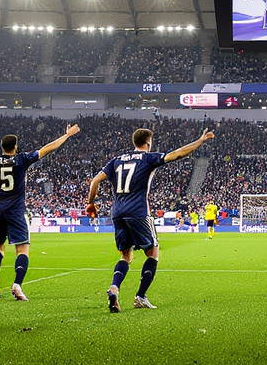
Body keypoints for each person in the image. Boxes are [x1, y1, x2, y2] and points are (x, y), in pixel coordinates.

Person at [87, 127, 214, 313]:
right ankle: (140, 296)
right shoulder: (147, 158)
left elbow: (94, 182)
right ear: (148, 142)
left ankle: (114, 287)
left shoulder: (116, 160)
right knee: (153, 253)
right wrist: (200, 141)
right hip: (138, 212)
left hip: (118, 213)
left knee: (125, 256)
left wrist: (91, 203)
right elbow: (177, 154)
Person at [0, 122, 79, 302]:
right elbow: (47, 149)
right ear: (15, 147)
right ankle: (17, 285)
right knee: (22, 250)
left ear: (2, 147)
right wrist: (67, 135)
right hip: (15, 212)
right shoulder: (21, 160)